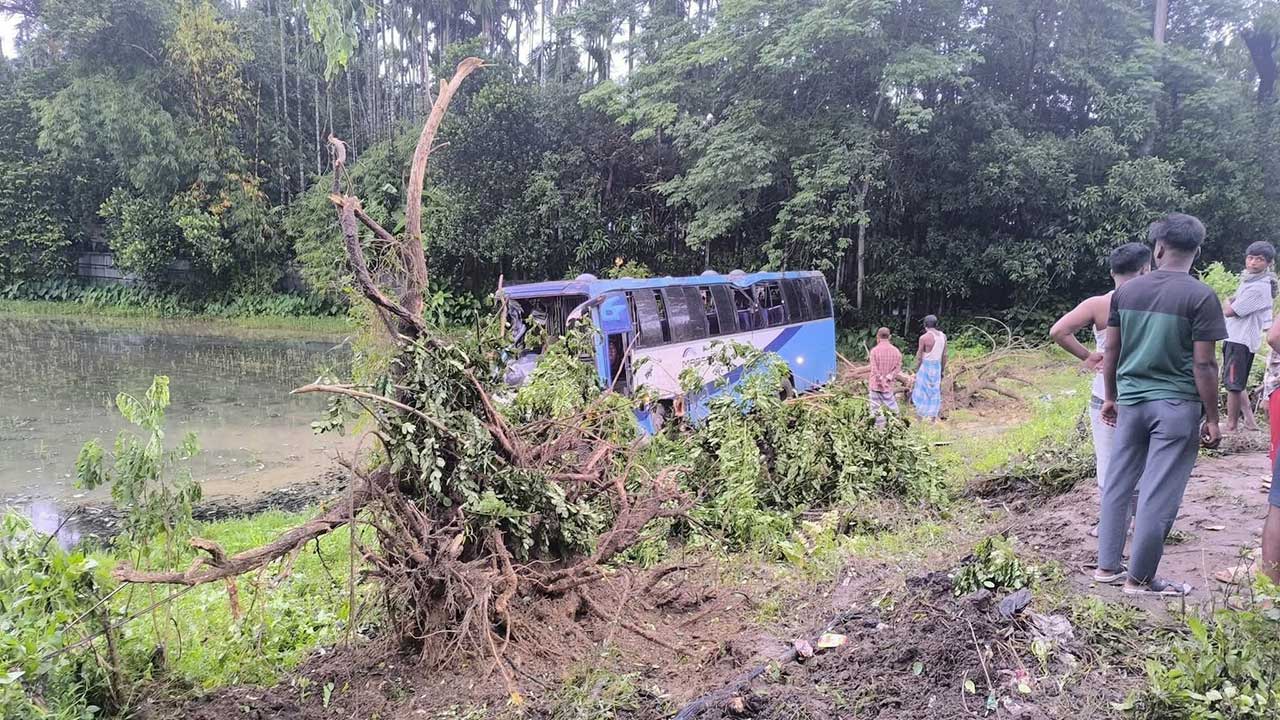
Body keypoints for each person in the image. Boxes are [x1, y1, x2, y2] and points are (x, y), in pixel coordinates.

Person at [1094, 213, 1226, 597]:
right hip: (1177, 407)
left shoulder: (1126, 293)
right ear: (1197, 252)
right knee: (1158, 492)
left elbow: (1112, 349)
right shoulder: (1201, 296)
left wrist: (1112, 397)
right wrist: (1213, 417)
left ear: (1159, 248)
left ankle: (1106, 568)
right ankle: (1140, 580)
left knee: (1118, 484)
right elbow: (1204, 363)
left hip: (1131, 404)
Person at [1048, 242, 1151, 535]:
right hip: (1144, 392)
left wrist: (1088, 356)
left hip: (1105, 392)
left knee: (1108, 459)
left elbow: (1058, 331)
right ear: (1145, 269)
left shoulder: (1098, 304)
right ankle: (1138, 522)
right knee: (1142, 459)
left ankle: (1111, 524)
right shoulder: (1156, 301)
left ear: (1111, 272)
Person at [1221, 240, 1277, 432]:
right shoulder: (1251, 281)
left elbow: (1230, 311)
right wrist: (1231, 302)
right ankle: (1250, 423)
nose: (1253, 262)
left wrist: (1227, 301)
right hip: (1238, 337)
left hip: (1240, 339)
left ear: (1268, 263)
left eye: (1259, 259)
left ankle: (1231, 426)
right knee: (1239, 381)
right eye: (1250, 257)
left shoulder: (1259, 287)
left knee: (1233, 384)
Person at [867, 327, 913, 427]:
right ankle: (897, 425)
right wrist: (887, 378)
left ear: (877, 337)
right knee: (893, 408)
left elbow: (874, 369)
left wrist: (880, 379)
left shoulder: (874, 351)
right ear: (890, 337)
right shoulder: (896, 352)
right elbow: (897, 368)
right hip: (887, 386)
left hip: (875, 385)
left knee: (875, 409)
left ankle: (879, 429)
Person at [911, 315, 947, 422]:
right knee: (934, 392)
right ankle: (932, 419)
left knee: (921, 391)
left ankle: (920, 417)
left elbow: (919, 356)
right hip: (937, 366)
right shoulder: (943, 336)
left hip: (926, 366)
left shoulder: (924, 338)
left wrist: (915, 370)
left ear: (925, 325)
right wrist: (942, 370)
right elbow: (945, 355)